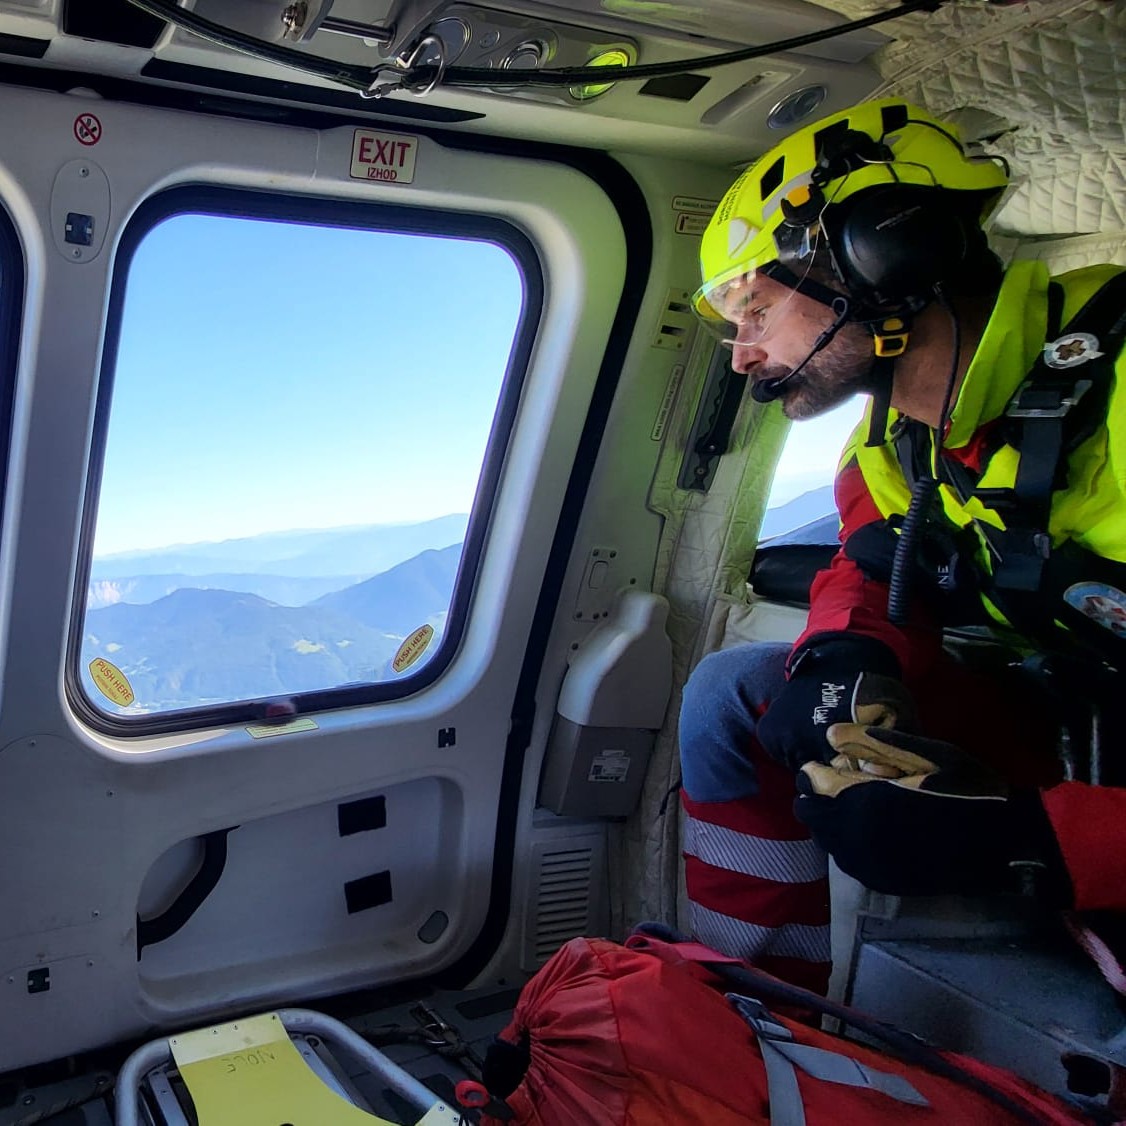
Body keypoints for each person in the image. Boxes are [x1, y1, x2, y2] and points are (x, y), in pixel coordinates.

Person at [677, 97, 1126, 994]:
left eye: (755, 307)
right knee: (737, 692)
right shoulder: (891, 446)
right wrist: (843, 656)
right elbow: (870, 565)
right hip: (1071, 721)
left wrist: (1032, 842)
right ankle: (764, 1009)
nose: (741, 355)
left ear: (881, 254)